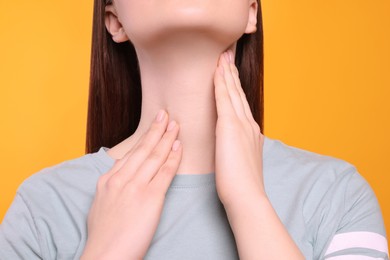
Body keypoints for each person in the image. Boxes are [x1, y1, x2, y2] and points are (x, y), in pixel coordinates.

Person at [0, 0, 387, 259]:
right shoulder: (41, 208)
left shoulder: (339, 195)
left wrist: (249, 202)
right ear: (114, 20)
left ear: (251, 11)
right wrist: (106, 252)